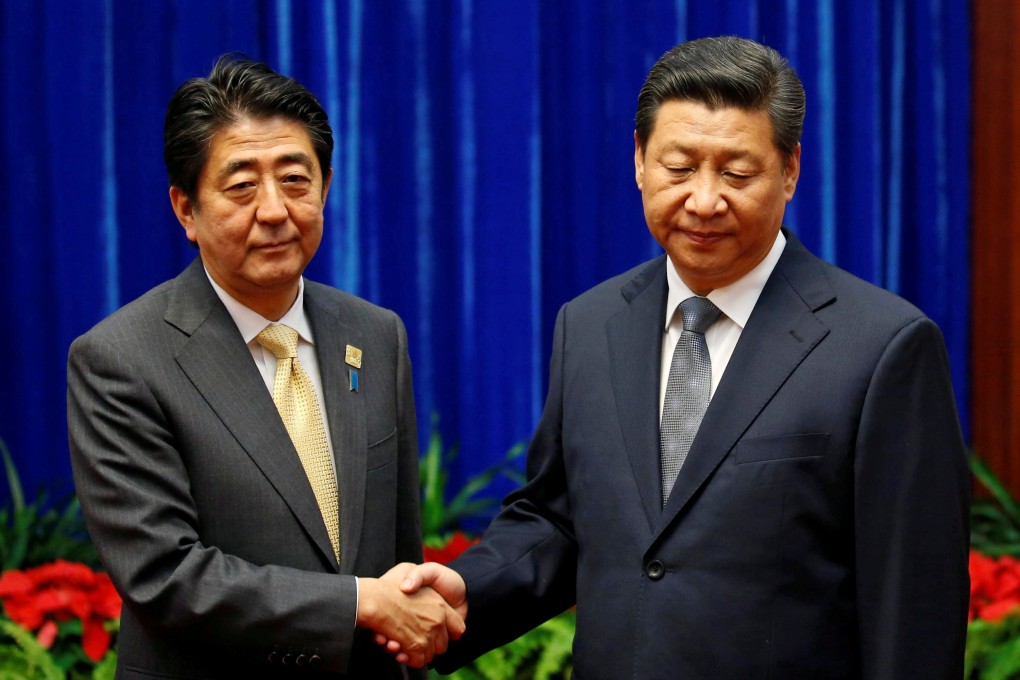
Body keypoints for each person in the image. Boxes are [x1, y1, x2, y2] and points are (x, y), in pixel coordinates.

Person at [395, 36, 970, 678]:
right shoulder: (588, 324)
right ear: (640, 161)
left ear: (791, 170)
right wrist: (465, 592)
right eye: (678, 167)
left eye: (737, 173)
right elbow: (560, 518)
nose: (703, 200)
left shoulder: (883, 345)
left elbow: (911, 605)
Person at [67, 54, 463, 679]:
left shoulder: (375, 335)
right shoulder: (122, 358)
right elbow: (166, 577)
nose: (275, 209)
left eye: (295, 180)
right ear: (186, 209)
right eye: (242, 185)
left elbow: (399, 559)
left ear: (326, 187)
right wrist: (360, 604)